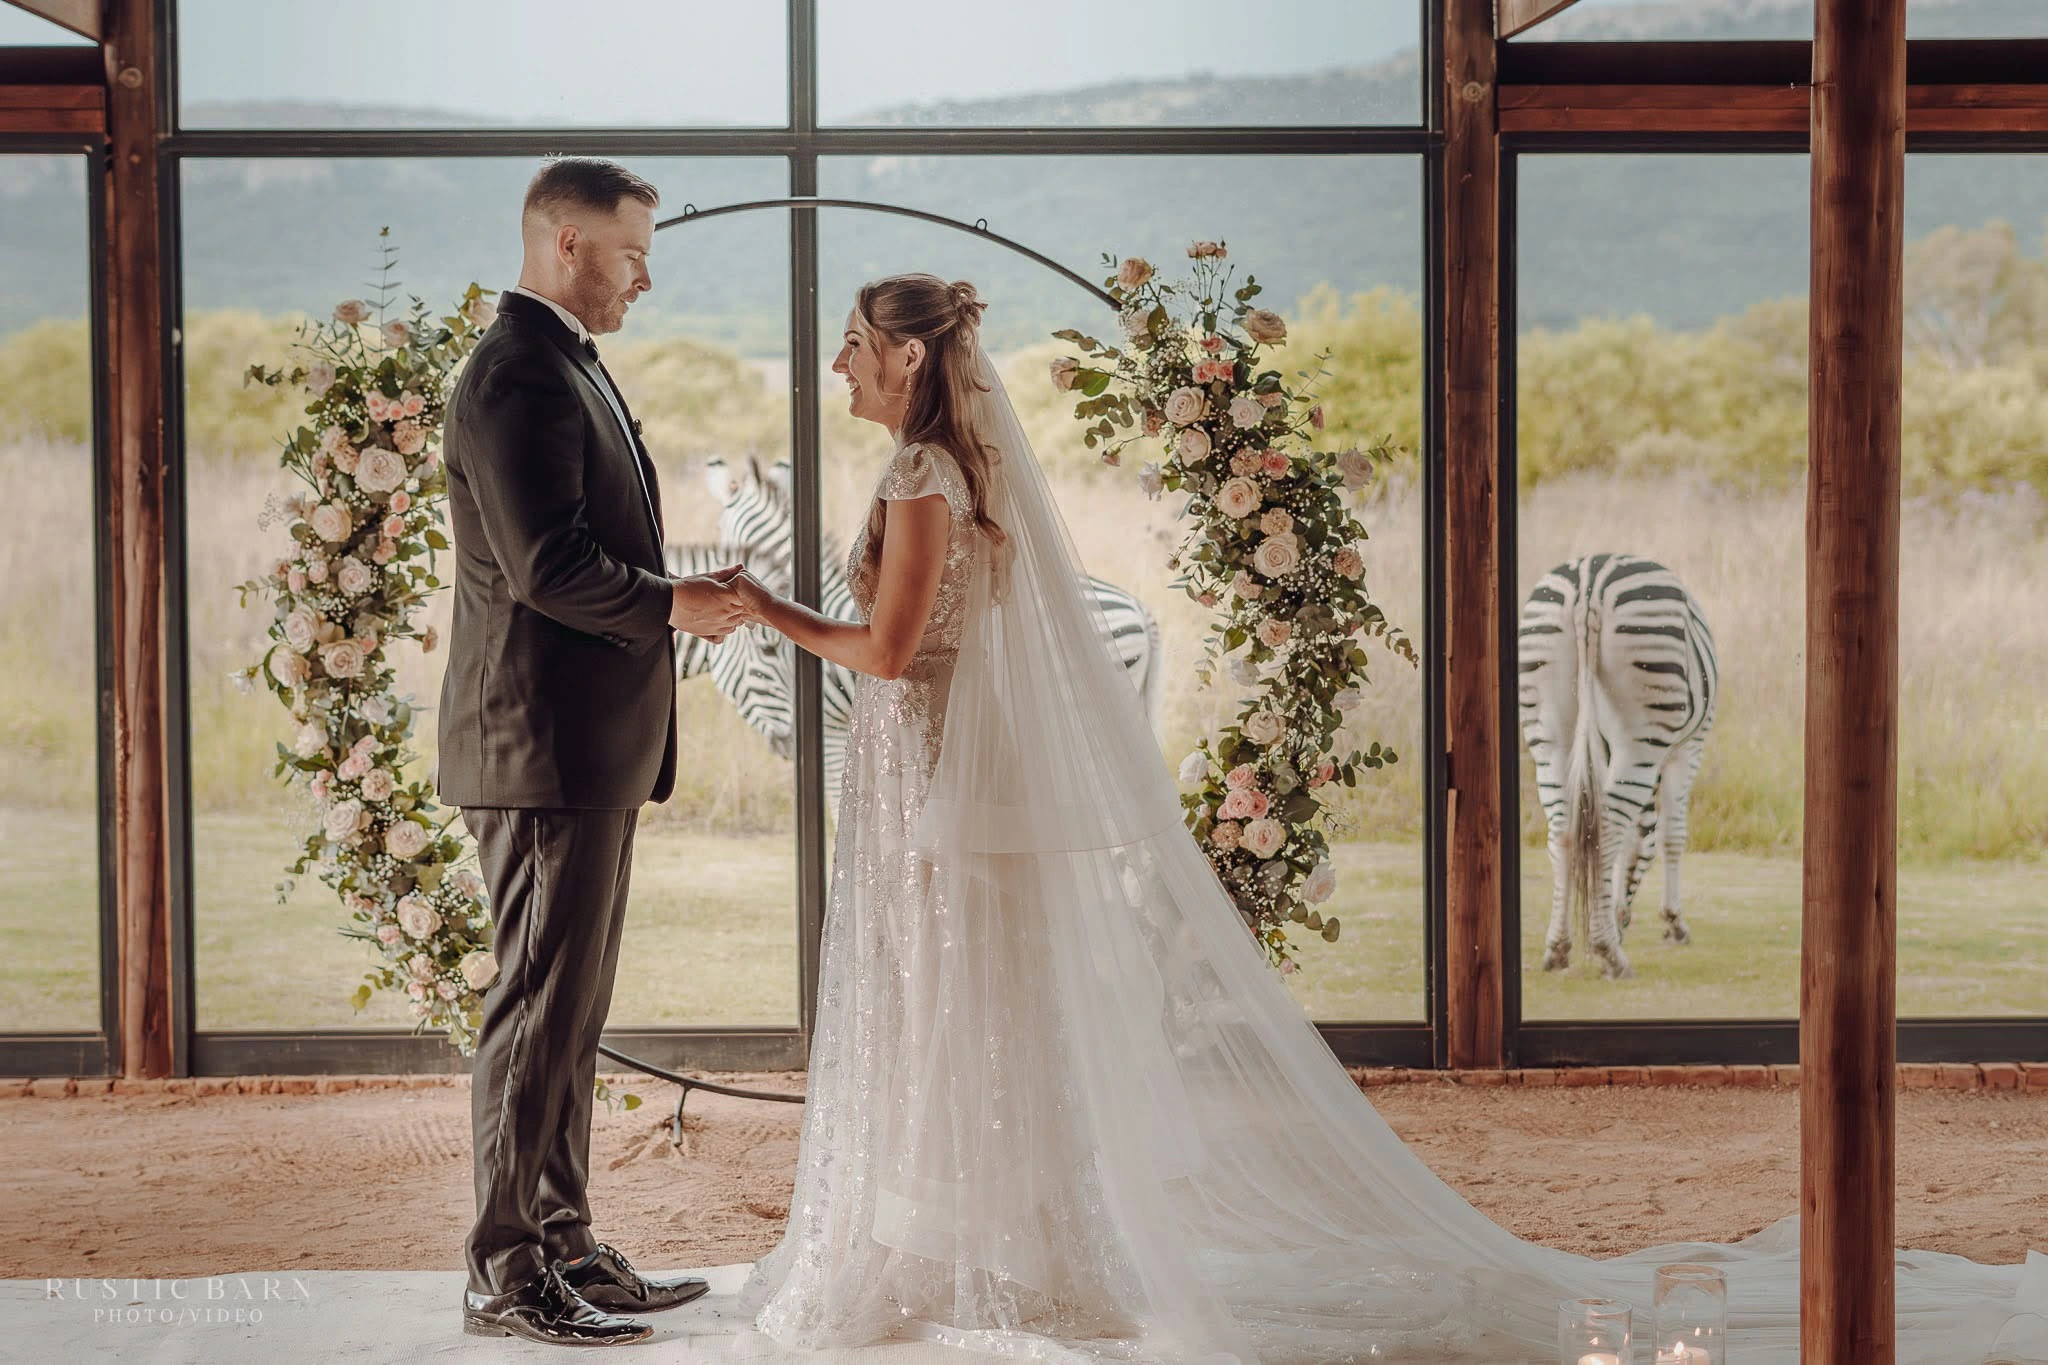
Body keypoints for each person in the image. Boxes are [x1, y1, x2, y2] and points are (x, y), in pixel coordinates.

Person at [711, 272, 2046, 1362]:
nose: (838, 369)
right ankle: (996, 1244)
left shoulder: (918, 482)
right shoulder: (952, 472)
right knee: (981, 1012)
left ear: (907, 360)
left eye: (851, 349)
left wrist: (756, 608)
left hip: (929, 778)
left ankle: (972, 1250)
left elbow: (888, 654)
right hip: (937, 781)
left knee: (964, 1009)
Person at [439, 156, 748, 1347]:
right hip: (538, 748)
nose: (645, 279)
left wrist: (675, 593)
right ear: (566, 241)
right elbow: (544, 567)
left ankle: (562, 1242)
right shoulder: (519, 372)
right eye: (632, 254)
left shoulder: (560, 360)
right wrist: (674, 602)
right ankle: (503, 1274)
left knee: (568, 1012)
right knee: (534, 1010)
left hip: (578, 750)